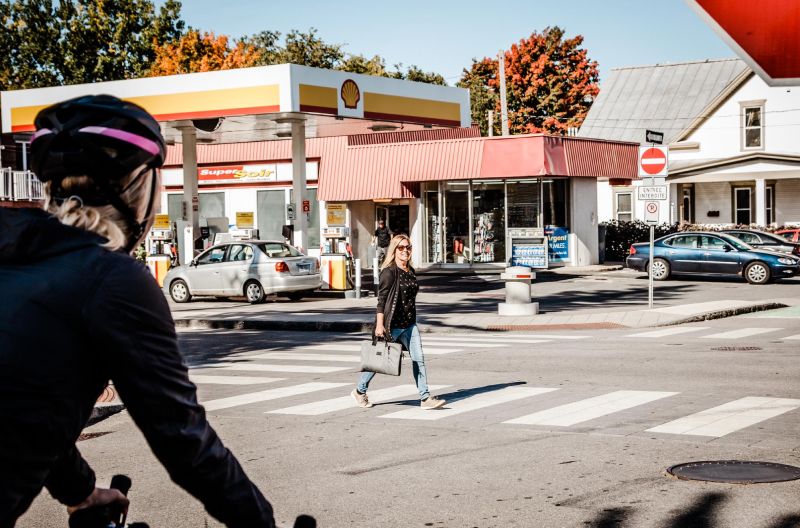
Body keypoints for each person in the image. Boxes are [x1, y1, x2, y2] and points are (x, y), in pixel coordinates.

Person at [0, 95, 275, 527]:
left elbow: (24, 411)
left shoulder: (16, 254)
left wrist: (82, 491)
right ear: (136, 188)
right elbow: (181, 438)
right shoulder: (111, 279)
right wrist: (259, 521)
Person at [352, 234, 446, 410]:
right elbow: (381, 301)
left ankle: (425, 398)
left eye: (408, 247)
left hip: (410, 325)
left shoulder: (410, 271)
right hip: (392, 325)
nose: (405, 251)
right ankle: (359, 391)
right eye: (401, 248)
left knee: (419, 359)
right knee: (378, 361)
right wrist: (379, 326)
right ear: (394, 250)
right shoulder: (388, 272)